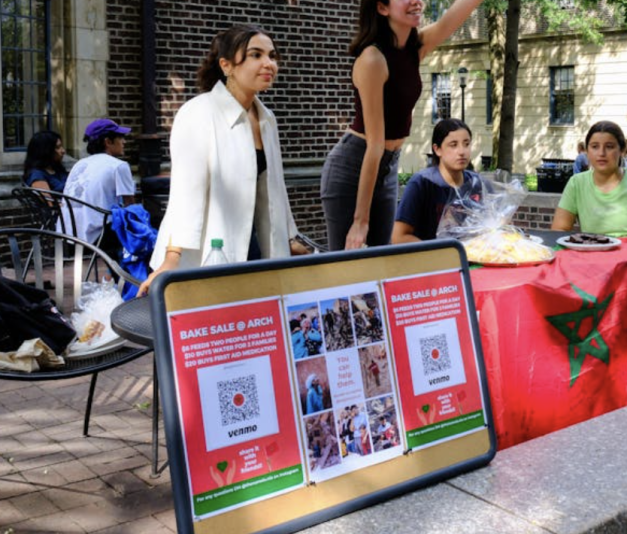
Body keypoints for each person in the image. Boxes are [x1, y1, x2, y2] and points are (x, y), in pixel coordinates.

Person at [139, 25, 307, 296]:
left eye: (272, 55)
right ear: (226, 65)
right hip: (208, 251)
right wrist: (172, 259)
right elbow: (185, 193)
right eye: (255, 55)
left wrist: (290, 237)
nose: (269, 64)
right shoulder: (198, 113)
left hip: (257, 248)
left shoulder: (268, 119)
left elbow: (275, 189)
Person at [321, 0, 485, 251]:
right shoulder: (372, 59)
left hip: (386, 165)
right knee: (345, 268)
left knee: (383, 261)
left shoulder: (414, 46)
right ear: (382, 8)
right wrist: (360, 220)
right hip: (354, 166)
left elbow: (451, 18)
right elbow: (375, 144)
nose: (416, 1)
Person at [392, 118, 483, 242]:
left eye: (466, 144)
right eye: (453, 145)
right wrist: (438, 254)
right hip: (430, 259)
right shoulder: (422, 183)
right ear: (437, 149)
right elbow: (398, 236)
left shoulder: (476, 183)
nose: (462, 152)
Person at [60, 118, 136, 249]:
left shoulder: (79, 164)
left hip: (67, 232)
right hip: (98, 235)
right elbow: (130, 205)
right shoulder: (119, 166)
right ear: (107, 141)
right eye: (120, 138)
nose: (124, 142)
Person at [552, 121, 627, 237]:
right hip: (592, 250)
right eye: (595, 147)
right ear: (586, 151)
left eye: (609, 147)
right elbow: (559, 230)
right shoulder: (577, 183)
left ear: (622, 150)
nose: (601, 153)